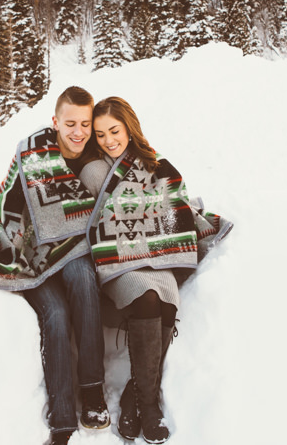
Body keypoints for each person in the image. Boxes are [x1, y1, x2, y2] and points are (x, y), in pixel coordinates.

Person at [0, 86, 112, 445]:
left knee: (83, 278)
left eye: (85, 124)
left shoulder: (96, 158)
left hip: (74, 252)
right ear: (55, 122)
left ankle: (92, 391)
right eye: (70, 123)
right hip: (27, 255)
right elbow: (7, 204)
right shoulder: (33, 152)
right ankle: (62, 422)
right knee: (56, 314)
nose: (79, 132)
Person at [87, 96, 233, 444]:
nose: (109, 140)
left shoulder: (154, 164)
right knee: (148, 297)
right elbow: (92, 219)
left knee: (167, 300)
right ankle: (149, 405)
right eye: (100, 134)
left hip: (158, 257)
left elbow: (169, 207)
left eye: (114, 130)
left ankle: (133, 397)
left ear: (129, 128)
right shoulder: (92, 170)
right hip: (118, 263)